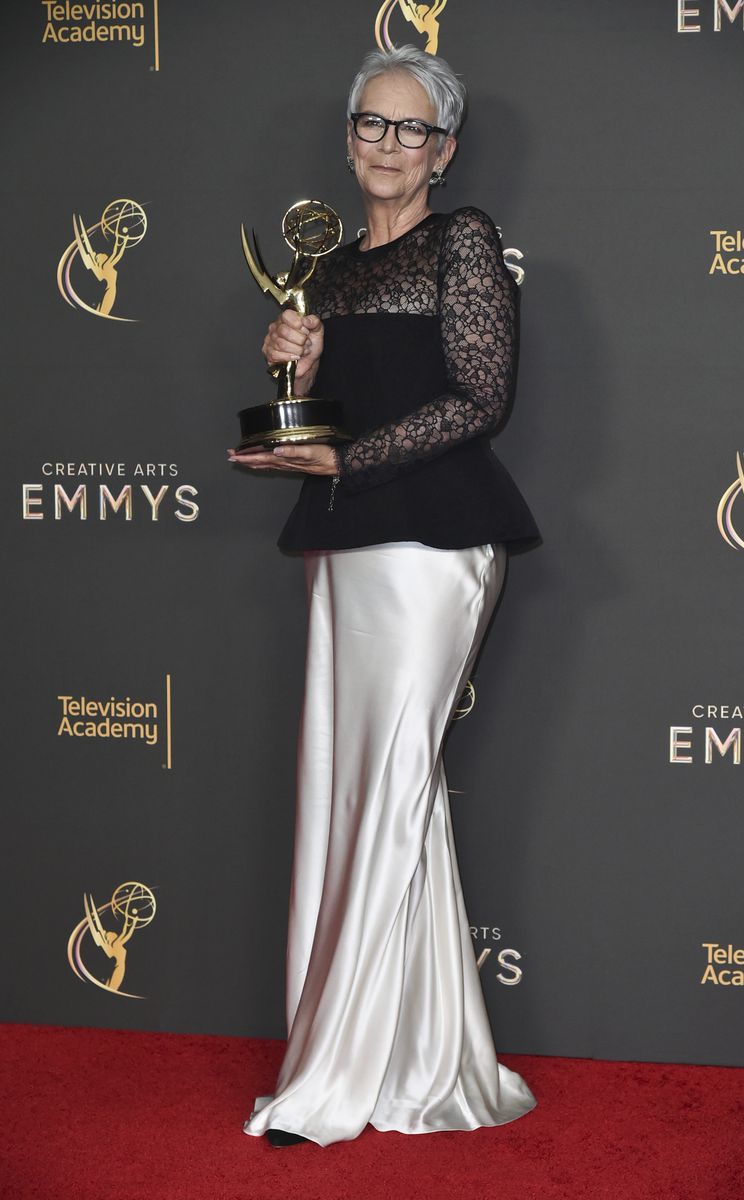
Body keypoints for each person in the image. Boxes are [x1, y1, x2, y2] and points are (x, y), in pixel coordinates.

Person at [228, 44, 541, 1149]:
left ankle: (338, 1075)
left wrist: (342, 463)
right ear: (349, 135)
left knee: (396, 778)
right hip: (349, 548)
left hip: (433, 547)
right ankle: (407, 1053)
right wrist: (295, 377)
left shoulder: (461, 241)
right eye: (372, 124)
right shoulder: (333, 274)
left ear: (443, 150)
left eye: (412, 130)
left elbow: (481, 398)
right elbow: (329, 420)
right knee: (360, 792)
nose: (388, 146)